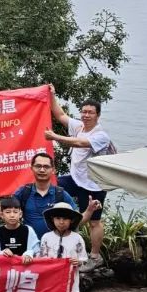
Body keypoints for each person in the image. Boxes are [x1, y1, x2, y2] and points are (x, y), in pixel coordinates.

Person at [46, 89, 114, 270]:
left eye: (91, 112)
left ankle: (95, 256)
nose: (86, 115)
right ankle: (57, 238)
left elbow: (79, 143)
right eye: (84, 111)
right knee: (51, 188)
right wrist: (51, 94)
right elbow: (59, 114)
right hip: (75, 179)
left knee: (94, 222)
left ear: (98, 115)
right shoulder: (78, 127)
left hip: (94, 184)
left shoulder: (101, 136)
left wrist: (54, 137)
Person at [0, 152, 98, 239]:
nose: (42, 169)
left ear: (52, 170)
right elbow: (4, 212)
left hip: (56, 246)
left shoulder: (60, 194)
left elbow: (76, 220)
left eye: (46, 167)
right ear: (31, 168)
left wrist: (89, 210)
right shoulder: (24, 192)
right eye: (38, 166)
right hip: (29, 245)